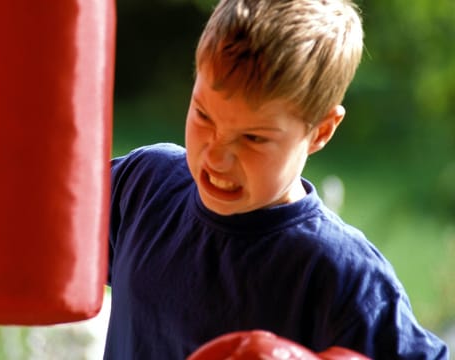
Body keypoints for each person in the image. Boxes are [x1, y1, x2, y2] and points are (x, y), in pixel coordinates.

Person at [106, 0, 449, 359]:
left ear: (320, 132)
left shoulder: (343, 277)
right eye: (204, 115)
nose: (216, 155)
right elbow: (52, 235)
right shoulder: (144, 188)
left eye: (253, 138)